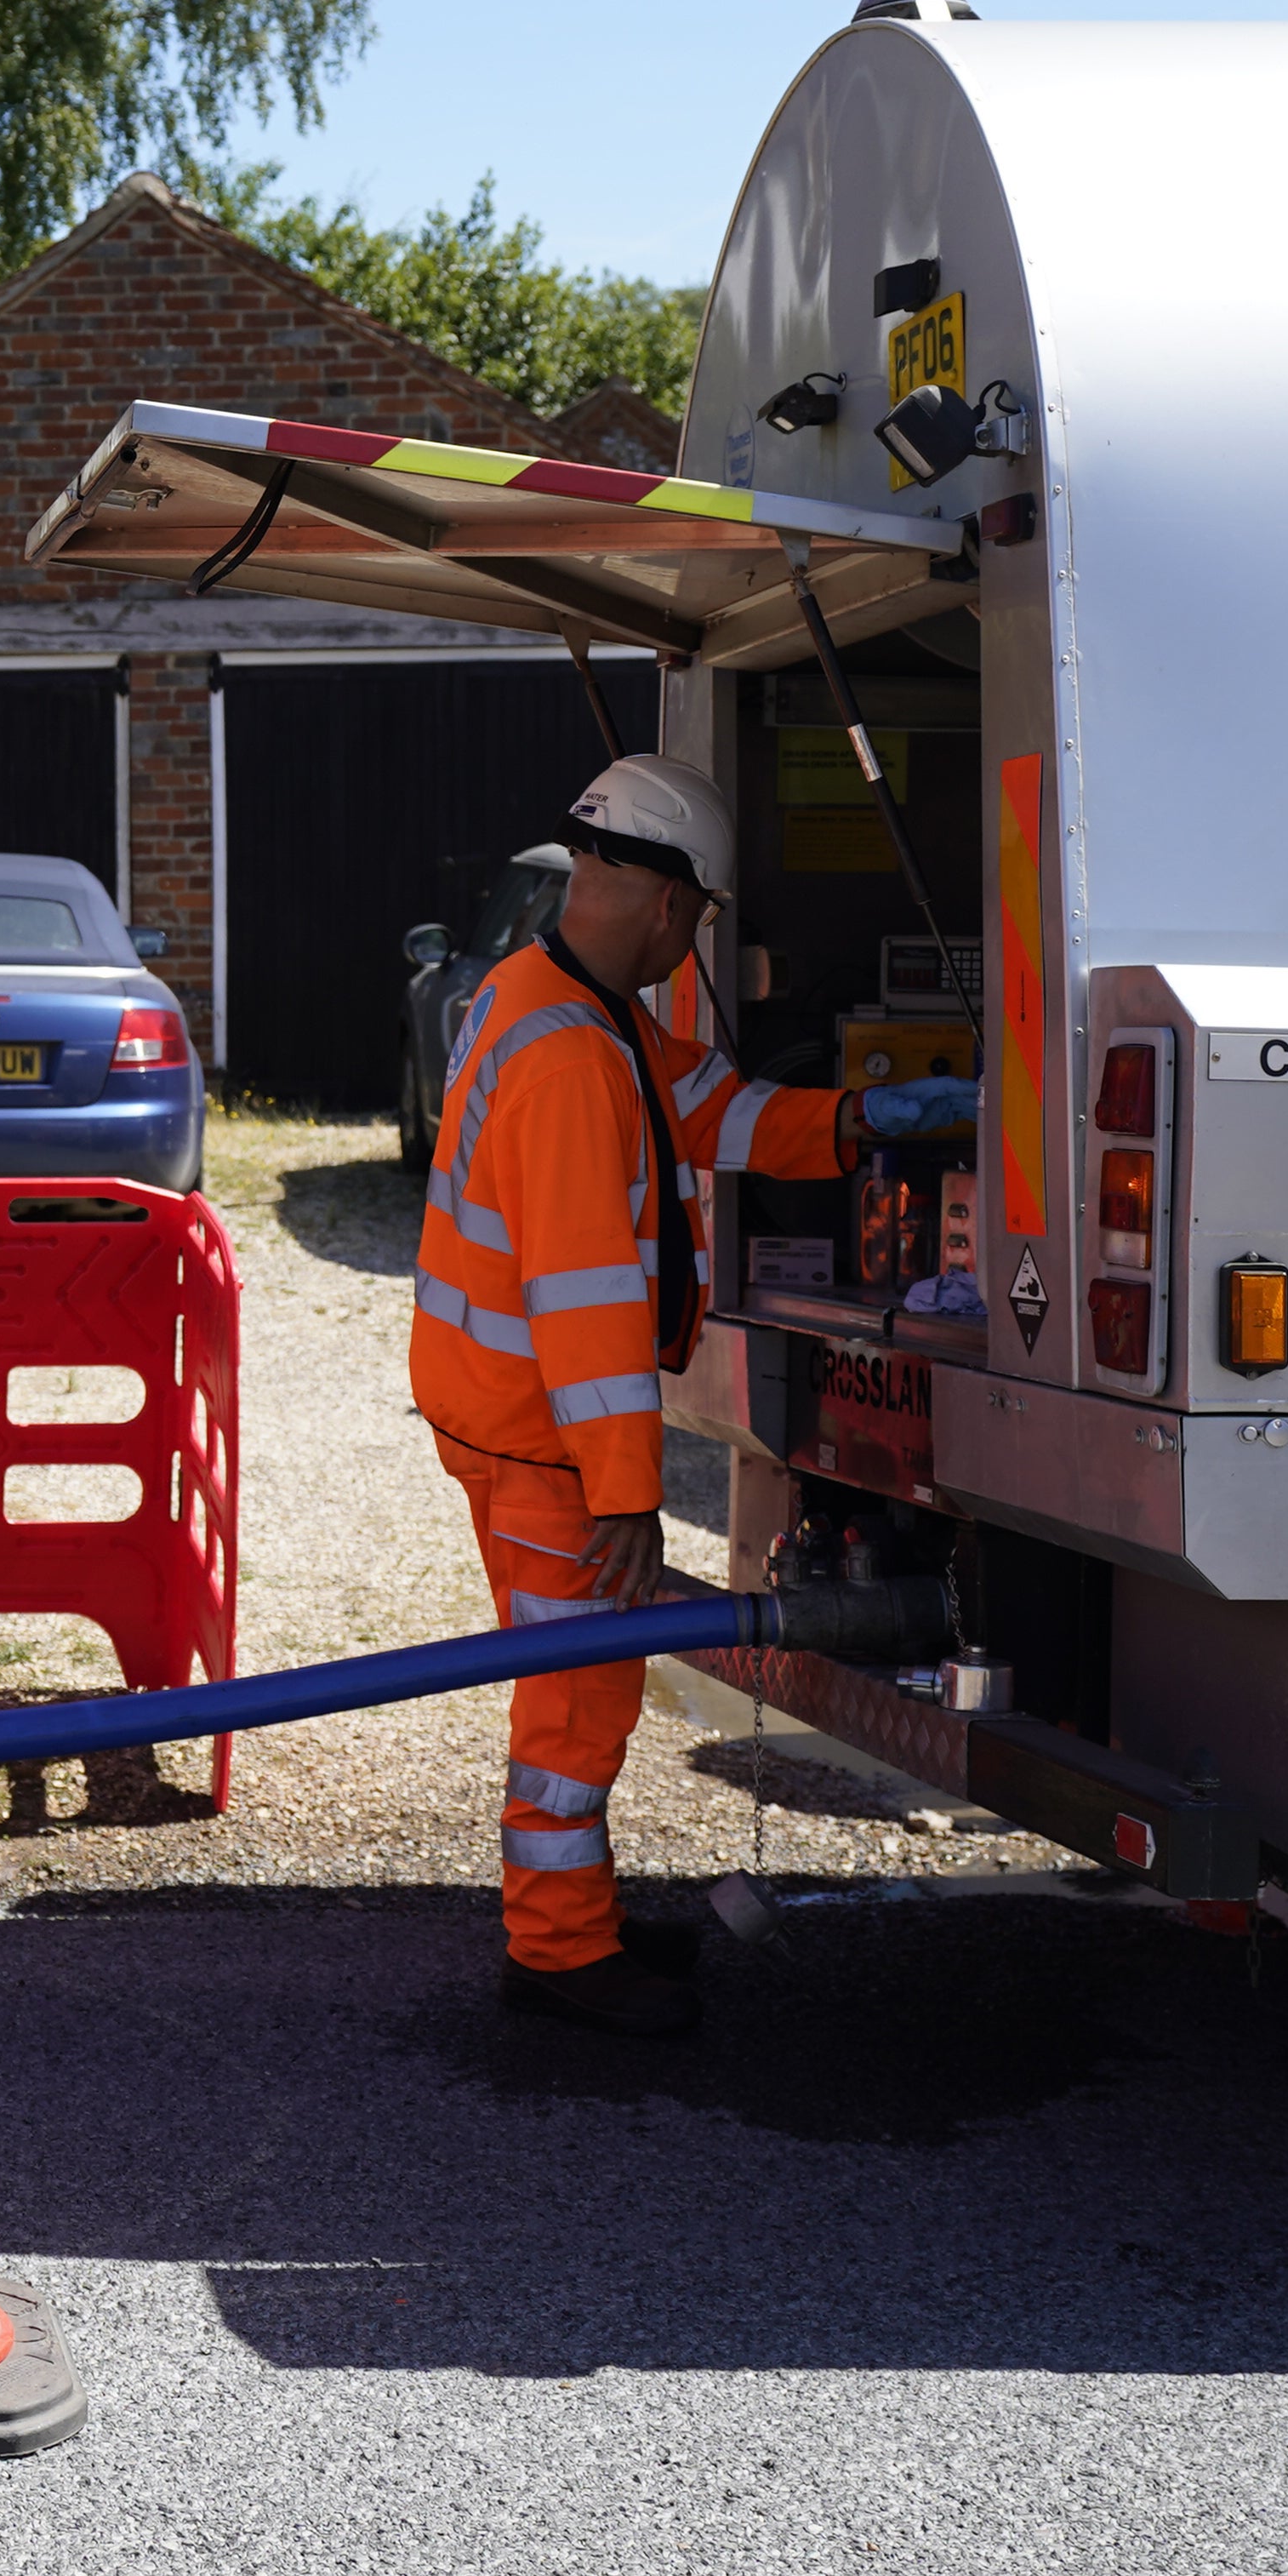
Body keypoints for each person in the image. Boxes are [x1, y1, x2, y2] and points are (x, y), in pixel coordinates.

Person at [410, 750, 977, 2040]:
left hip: (496, 1411)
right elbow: (585, 1297)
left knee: (577, 1679)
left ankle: (579, 1920)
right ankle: (556, 1952)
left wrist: (866, 1118)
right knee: (577, 1687)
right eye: (704, 916)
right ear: (669, 906)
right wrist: (626, 1494)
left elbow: (711, 1105)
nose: (699, 937)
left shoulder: (552, 1000)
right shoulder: (569, 1056)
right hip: (537, 1437)